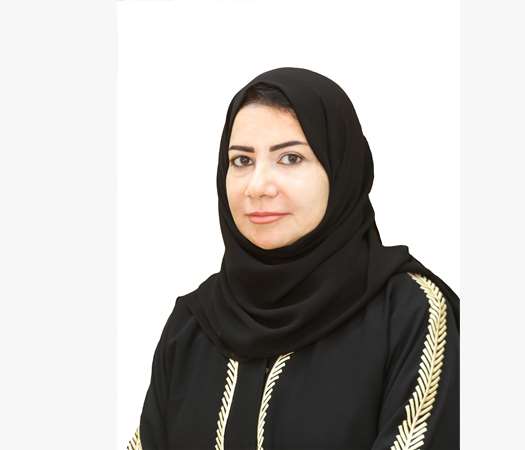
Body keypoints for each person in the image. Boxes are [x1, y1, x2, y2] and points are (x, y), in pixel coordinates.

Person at [127, 67, 460, 450]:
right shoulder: (192, 327)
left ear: (341, 168)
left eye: (290, 158)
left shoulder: (407, 314)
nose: (258, 187)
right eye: (242, 161)